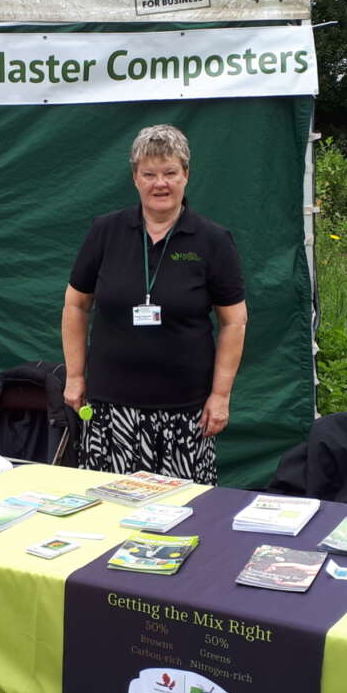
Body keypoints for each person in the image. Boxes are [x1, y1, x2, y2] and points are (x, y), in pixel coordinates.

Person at [61, 124, 247, 484]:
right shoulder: (105, 232)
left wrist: (221, 395)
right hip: (110, 411)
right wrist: (74, 375)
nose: (160, 183)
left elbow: (234, 322)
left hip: (186, 413)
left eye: (170, 173)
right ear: (135, 178)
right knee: (110, 506)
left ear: (186, 175)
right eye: (149, 174)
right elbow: (75, 305)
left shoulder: (213, 240)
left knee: (184, 510)